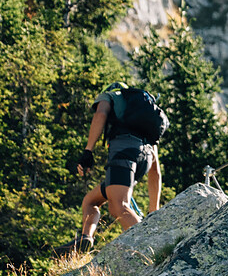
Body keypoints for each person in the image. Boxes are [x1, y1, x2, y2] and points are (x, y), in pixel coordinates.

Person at [67, 83, 162, 254]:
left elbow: (101, 114)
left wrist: (88, 151)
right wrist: (153, 210)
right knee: (90, 200)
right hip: (145, 158)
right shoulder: (144, 117)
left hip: (124, 151)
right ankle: (85, 238)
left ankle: (152, 251)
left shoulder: (111, 96)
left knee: (118, 205)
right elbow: (156, 171)